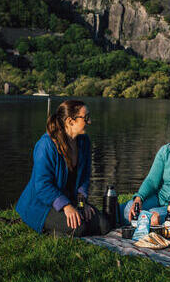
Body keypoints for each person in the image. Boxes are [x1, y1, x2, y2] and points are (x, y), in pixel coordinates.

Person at [16, 100, 109, 237]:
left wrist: (82, 202)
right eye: (86, 118)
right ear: (70, 121)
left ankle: (62, 227)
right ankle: (44, 228)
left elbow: (84, 177)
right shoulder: (46, 145)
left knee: (104, 225)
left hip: (70, 200)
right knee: (80, 228)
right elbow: (42, 185)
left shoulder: (84, 142)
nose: (89, 122)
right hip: (42, 205)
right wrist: (66, 206)